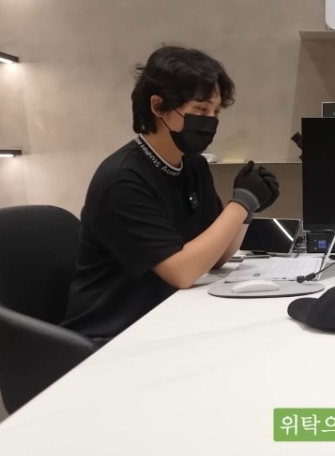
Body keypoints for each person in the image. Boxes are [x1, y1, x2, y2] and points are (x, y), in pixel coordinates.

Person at [62, 46, 279, 345]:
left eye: (216, 112)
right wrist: (240, 204)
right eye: (200, 109)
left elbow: (215, 258)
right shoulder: (122, 179)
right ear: (158, 106)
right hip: (113, 335)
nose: (210, 121)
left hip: (166, 317)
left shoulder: (193, 165)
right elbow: (183, 272)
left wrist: (247, 208)